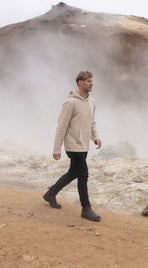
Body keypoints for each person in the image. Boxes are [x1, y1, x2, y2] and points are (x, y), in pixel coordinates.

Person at [43, 70, 103, 222]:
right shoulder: (70, 103)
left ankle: (51, 194)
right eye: (88, 81)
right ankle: (86, 208)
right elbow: (61, 127)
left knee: (73, 172)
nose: (91, 83)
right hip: (73, 145)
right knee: (83, 174)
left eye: (92, 81)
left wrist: (95, 138)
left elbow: (92, 122)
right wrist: (56, 149)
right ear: (80, 83)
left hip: (84, 145)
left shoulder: (92, 102)